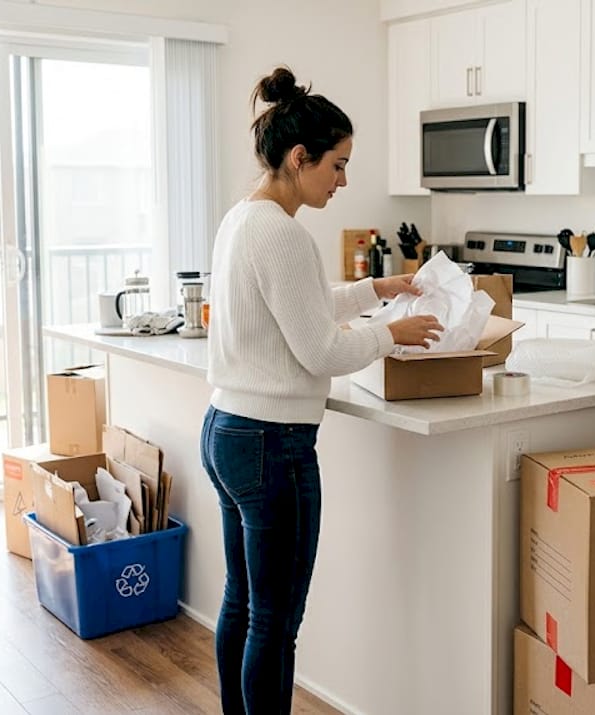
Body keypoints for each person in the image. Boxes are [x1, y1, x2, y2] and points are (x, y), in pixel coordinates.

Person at [200, 66, 443, 714]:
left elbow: (299, 305)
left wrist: (377, 290)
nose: (343, 181)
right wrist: (394, 333)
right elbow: (321, 348)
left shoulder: (243, 219)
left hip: (227, 430)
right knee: (276, 622)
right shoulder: (281, 232)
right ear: (299, 157)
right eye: (337, 165)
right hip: (271, 445)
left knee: (243, 603)